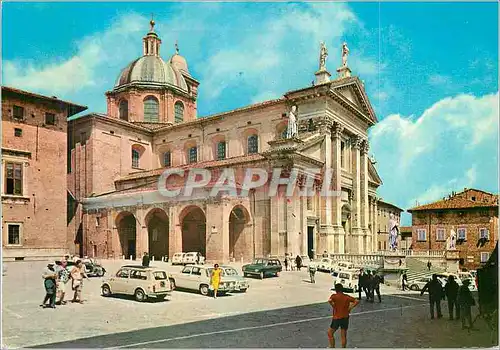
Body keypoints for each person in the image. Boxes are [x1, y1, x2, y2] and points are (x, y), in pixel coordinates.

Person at [327, 283, 359, 348]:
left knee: (330, 333)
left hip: (336, 318)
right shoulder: (347, 297)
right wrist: (350, 307)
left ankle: (332, 347)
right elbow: (356, 301)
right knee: (343, 335)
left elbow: (330, 301)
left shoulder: (334, 296)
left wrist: (333, 305)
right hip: (345, 318)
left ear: (336, 289)